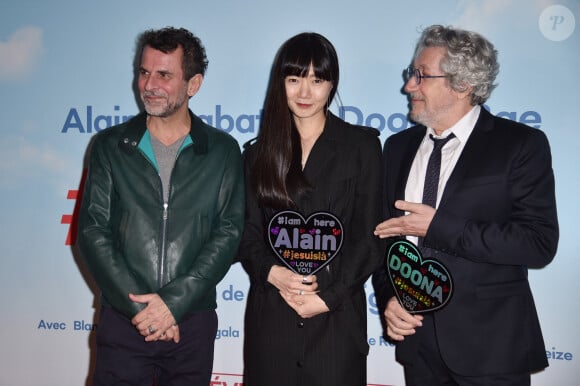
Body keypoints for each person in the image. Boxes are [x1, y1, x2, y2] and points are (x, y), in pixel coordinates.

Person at [372, 25, 558, 386]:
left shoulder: (520, 145)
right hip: (418, 346)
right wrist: (390, 298)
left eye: (420, 75)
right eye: (410, 74)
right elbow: (386, 240)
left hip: (491, 348)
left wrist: (437, 226)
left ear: (462, 85)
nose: (408, 86)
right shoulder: (397, 148)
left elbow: (538, 244)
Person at [77, 27, 244, 385]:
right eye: (143, 71)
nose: (149, 84)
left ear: (193, 84)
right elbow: (93, 230)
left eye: (164, 75)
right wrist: (143, 310)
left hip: (192, 320)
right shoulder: (110, 145)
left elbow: (228, 233)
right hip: (124, 318)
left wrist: (173, 304)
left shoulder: (223, 150)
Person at [238, 32, 383, 386]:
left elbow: (371, 237)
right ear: (280, 83)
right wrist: (273, 272)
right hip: (272, 318)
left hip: (336, 321)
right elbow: (243, 231)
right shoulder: (257, 154)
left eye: (317, 80)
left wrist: (328, 297)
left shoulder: (361, 147)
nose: (305, 92)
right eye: (294, 79)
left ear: (332, 84)